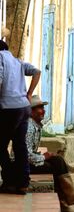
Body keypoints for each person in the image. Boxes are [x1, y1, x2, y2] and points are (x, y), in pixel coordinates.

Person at [27, 95, 74, 211]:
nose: (43, 111)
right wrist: (43, 156)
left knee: (57, 159)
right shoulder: (29, 127)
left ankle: (69, 196)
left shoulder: (35, 126)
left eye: (43, 107)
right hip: (21, 165)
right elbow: (25, 155)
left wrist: (47, 156)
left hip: (30, 160)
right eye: (40, 108)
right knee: (53, 167)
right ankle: (65, 201)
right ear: (31, 112)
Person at [0, 40, 41, 194]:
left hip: (8, 107)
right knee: (19, 145)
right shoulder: (17, 61)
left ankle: (9, 180)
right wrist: (29, 93)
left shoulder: (0, 58)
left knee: (0, 145)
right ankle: (23, 183)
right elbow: (37, 72)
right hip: (24, 107)